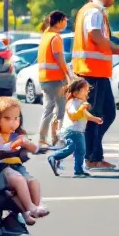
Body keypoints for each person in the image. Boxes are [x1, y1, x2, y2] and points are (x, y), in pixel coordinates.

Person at [72, 0, 119, 170]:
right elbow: (96, 37)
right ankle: (92, 157)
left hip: (95, 72)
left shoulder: (88, 10)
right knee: (96, 115)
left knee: (107, 113)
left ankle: (91, 151)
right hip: (92, 72)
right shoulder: (94, 12)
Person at [0, 96, 46, 224]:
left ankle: (35, 208)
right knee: (19, 181)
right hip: (1, 169)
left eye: (16, 118)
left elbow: (34, 149)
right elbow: (0, 148)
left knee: (33, 182)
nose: (13, 122)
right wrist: (15, 144)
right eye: (7, 118)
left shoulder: (18, 134)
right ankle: (29, 208)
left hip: (17, 167)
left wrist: (27, 144)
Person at [47, 78, 101, 177]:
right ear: (76, 92)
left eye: (87, 90)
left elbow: (85, 115)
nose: (87, 93)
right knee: (73, 148)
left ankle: (78, 170)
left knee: (80, 150)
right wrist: (81, 108)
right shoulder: (72, 102)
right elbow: (73, 116)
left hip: (78, 131)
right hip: (72, 131)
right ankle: (54, 157)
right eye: (85, 90)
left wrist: (94, 119)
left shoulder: (79, 102)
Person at [35, 10, 73, 146]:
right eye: (65, 20)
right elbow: (59, 59)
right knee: (60, 109)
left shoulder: (45, 35)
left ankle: (42, 138)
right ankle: (56, 138)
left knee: (49, 108)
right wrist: (68, 75)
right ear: (59, 21)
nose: (66, 23)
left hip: (44, 78)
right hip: (56, 79)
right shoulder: (55, 38)